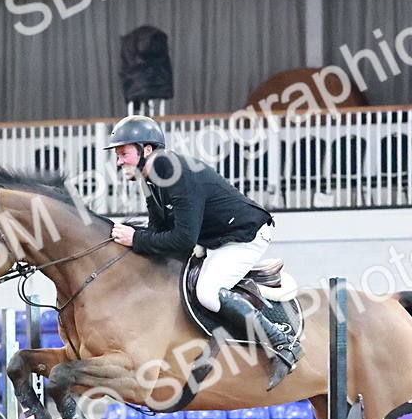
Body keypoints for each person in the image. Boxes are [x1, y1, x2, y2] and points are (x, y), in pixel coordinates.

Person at [104, 115, 303, 390]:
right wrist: (134, 237)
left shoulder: (176, 173)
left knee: (207, 292)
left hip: (244, 236)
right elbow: (158, 228)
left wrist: (135, 238)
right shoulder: (151, 179)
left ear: (146, 150)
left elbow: (183, 239)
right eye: (118, 155)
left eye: (123, 153)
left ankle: (282, 342)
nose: (119, 161)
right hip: (215, 238)